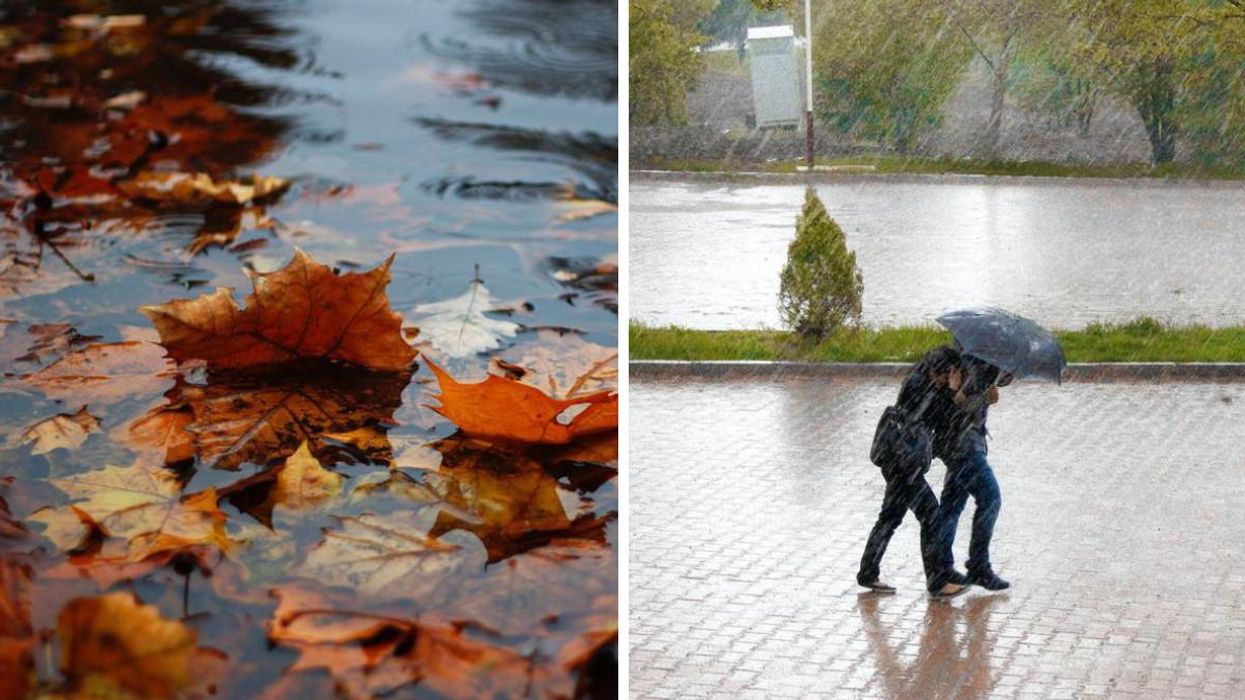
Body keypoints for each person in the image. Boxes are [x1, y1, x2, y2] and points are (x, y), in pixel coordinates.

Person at [857, 346, 967, 598]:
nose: (952, 376)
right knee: (931, 515)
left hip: (897, 461)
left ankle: (868, 572)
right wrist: (952, 391)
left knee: (890, 517)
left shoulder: (921, 381)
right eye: (950, 372)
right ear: (942, 370)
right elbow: (944, 418)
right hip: (905, 465)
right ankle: (937, 582)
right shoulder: (923, 388)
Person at [930, 354, 1013, 591]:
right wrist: (984, 398)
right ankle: (977, 565)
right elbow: (956, 409)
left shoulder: (981, 361)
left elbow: (1000, 380)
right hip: (964, 447)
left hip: (960, 445)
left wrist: (1003, 377)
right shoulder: (966, 364)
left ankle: (941, 569)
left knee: (951, 506)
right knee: (990, 498)